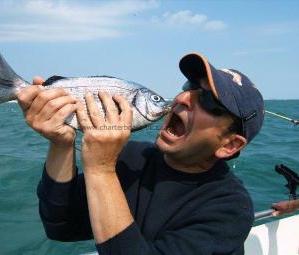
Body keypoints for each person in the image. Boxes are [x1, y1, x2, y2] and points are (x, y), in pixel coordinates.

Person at [17, 53, 264, 254]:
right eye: (190, 87)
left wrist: (101, 170)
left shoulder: (230, 209)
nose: (183, 97)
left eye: (209, 101)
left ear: (230, 145)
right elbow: (61, 227)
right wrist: (61, 144)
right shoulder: (133, 157)